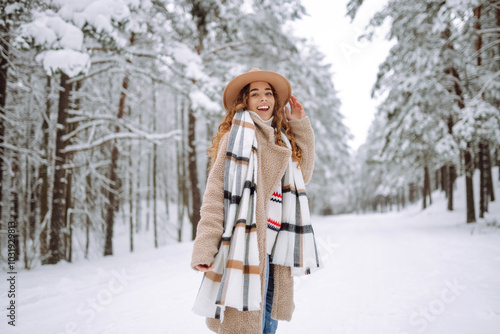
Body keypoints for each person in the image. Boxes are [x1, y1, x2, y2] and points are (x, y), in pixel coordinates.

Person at [191, 68, 322, 334]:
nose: (263, 98)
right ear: (245, 101)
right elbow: (216, 196)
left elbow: (303, 174)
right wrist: (205, 247)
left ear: (275, 101)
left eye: (268, 93)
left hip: (276, 253)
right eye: (255, 94)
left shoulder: (282, 139)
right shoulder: (236, 140)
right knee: (245, 327)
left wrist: (298, 125)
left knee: (266, 328)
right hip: (246, 249)